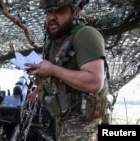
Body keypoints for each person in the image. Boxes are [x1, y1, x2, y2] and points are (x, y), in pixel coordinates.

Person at [26, 0, 108, 140]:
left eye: (59, 11)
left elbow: (94, 83)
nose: (51, 17)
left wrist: (52, 70)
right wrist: (42, 87)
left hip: (83, 123)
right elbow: (63, 74)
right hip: (62, 118)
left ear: (76, 12)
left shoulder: (86, 35)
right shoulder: (53, 40)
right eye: (48, 12)